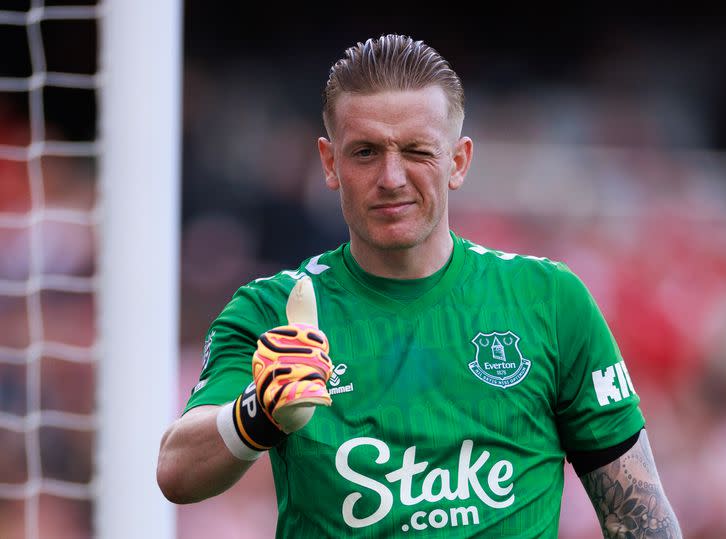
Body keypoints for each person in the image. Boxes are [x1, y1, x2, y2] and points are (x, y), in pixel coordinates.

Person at [157, 34, 682, 538]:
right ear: (329, 162)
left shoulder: (549, 300)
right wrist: (257, 413)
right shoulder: (274, 310)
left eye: (416, 151)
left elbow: (641, 518)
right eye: (364, 152)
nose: (391, 177)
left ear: (457, 162)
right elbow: (176, 471)